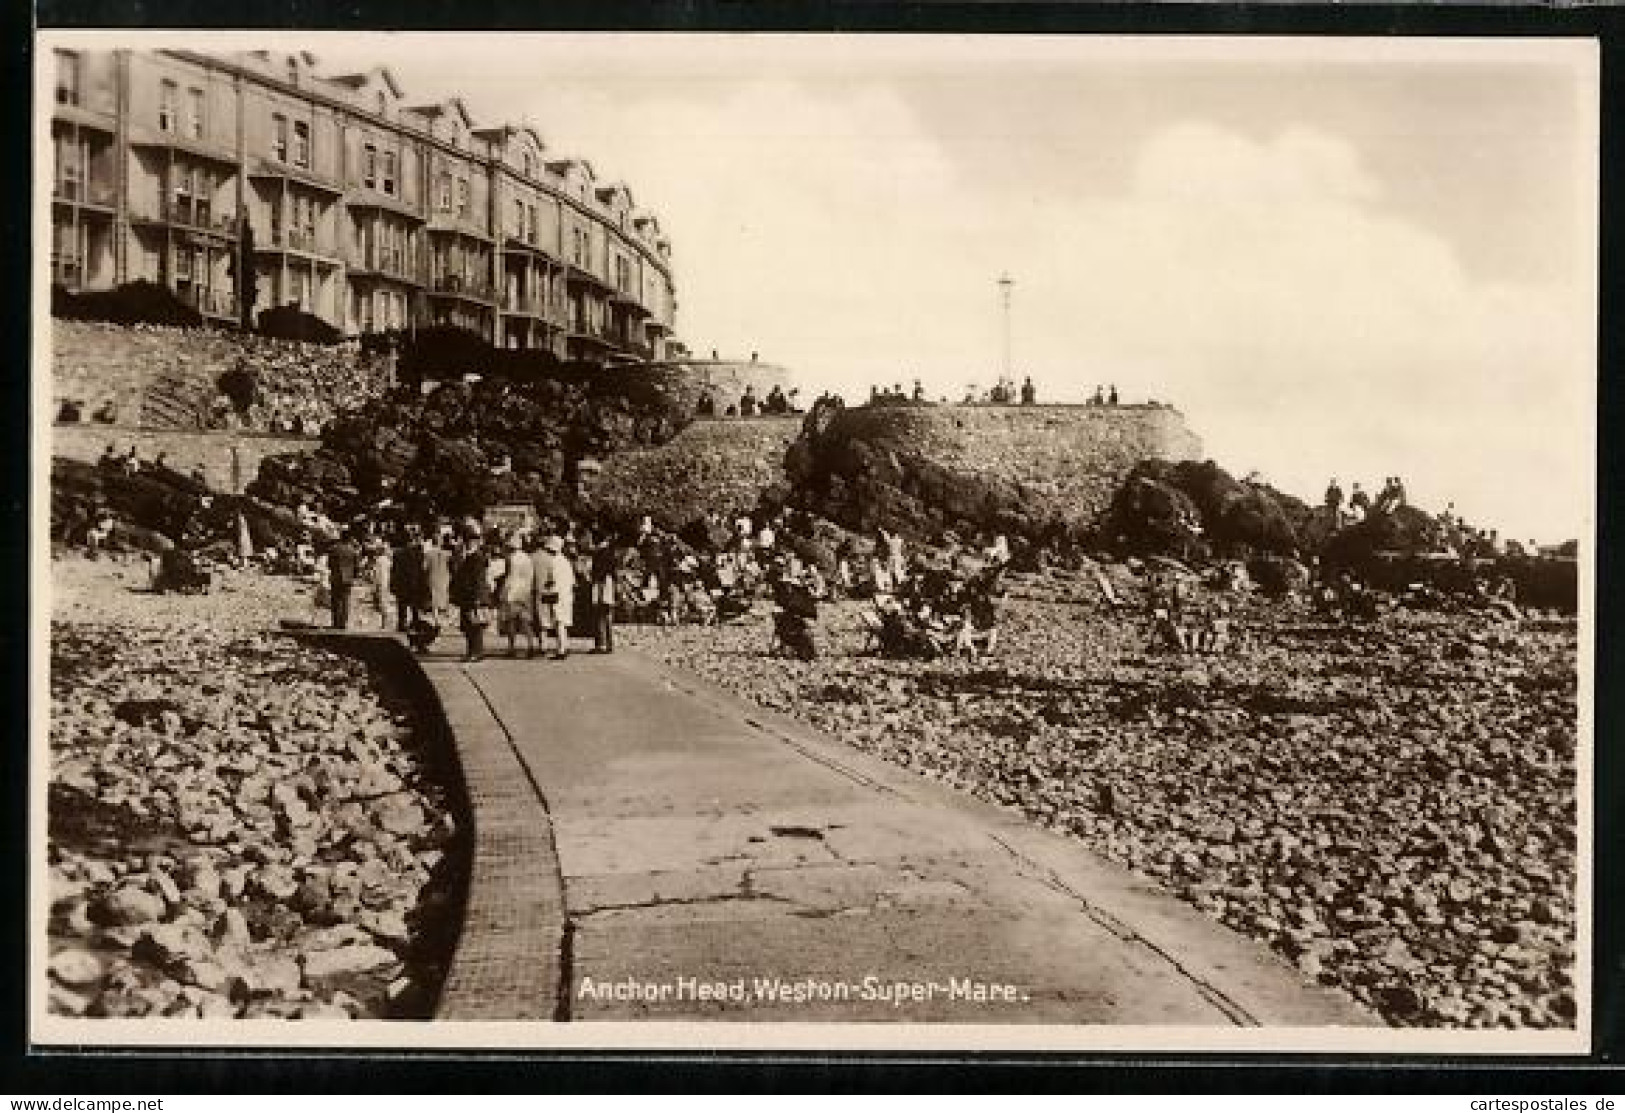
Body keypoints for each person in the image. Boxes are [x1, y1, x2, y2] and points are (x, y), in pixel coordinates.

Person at [449, 527, 493, 662]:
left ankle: (477, 652)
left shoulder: (477, 558)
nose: (467, 543)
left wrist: (478, 598)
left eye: (470, 541)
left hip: (473, 596)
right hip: (467, 596)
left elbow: (478, 579)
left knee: (475, 626)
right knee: (468, 626)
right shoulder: (468, 557)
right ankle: (472, 651)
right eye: (467, 540)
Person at [535, 534, 576, 660]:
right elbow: (572, 581)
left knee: (544, 620)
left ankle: (544, 647)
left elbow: (548, 580)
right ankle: (562, 648)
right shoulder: (565, 562)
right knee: (561, 621)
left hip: (548, 594)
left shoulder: (546, 560)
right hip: (563, 595)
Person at [497, 532, 537, 658]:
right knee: (525, 621)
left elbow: (508, 576)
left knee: (510, 621)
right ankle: (531, 645)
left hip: (511, 592)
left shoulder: (510, 559)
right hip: (525, 592)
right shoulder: (527, 558)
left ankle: (512, 647)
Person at [587, 529, 619, 653]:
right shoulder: (610, 551)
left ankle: (601, 644)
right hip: (608, 584)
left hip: (602, 584)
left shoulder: (600, 553)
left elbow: (598, 572)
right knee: (608, 615)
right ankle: (609, 644)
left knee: (600, 615)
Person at [328, 531, 360, 630]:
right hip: (348, 579)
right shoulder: (353, 551)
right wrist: (354, 576)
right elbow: (356, 566)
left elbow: (330, 564)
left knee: (335, 600)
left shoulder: (334, 549)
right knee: (345, 600)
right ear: (349, 539)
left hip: (336, 577)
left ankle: (335, 622)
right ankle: (343, 623)